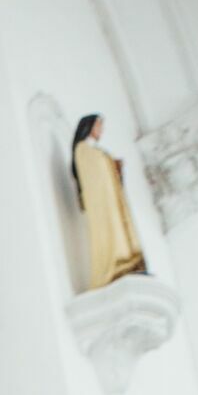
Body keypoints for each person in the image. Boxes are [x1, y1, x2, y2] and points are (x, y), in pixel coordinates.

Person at [71, 112, 146, 289]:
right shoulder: (83, 149)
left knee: (121, 227)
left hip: (112, 200)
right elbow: (92, 176)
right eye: (99, 126)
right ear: (89, 127)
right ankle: (115, 265)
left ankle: (130, 263)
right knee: (110, 231)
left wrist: (115, 167)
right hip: (102, 202)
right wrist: (109, 165)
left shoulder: (96, 151)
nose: (101, 130)